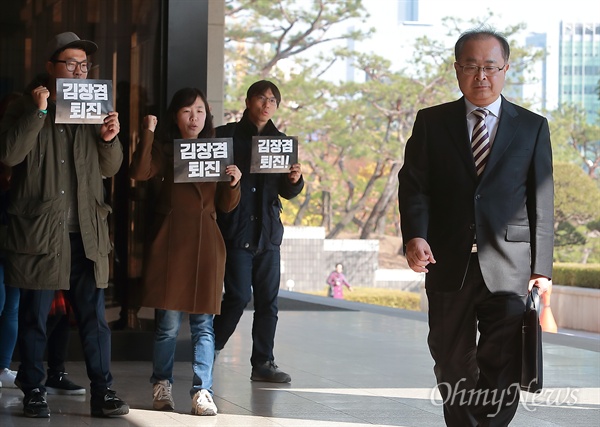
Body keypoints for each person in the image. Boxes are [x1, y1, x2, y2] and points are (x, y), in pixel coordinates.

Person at [398, 27, 553, 426]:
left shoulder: (532, 127)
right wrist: (415, 234)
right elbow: (415, 186)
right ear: (457, 69)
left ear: (505, 69)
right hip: (448, 263)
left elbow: (542, 200)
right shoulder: (432, 123)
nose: (480, 76)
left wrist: (543, 267)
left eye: (489, 67)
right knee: (451, 361)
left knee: (502, 363)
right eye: (471, 66)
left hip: (509, 265)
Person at [0, 31, 129, 418]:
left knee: (93, 320)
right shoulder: (23, 106)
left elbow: (111, 168)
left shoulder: (94, 112)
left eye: (84, 66)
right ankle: (34, 390)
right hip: (40, 233)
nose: (78, 71)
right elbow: (8, 154)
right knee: (35, 318)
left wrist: (109, 138)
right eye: (70, 64)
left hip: (86, 235)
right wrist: (38, 112)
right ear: (51, 68)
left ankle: (103, 391)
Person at [130, 87, 241, 416]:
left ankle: (202, 390)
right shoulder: (165, 150)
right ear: (175, 116)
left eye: (200, 111)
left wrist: (233, 184)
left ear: (207, 116)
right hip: (171, 244)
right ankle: (161, 385)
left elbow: (225, 205)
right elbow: (138, 172)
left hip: (205, 243)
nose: (194, 117)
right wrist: (148, 133)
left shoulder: (215, 151)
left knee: (203, 325)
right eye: (186, 111)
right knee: (166, 324)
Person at [213, 80, 304, 383]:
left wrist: (293, 179)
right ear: (248, 100)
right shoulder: (226, 136)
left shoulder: (280, 141)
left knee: (268, 301)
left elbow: (287, 192)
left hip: (267, 232)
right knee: (237, 296)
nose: (267, 105)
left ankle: (263, 362)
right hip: (237, 229)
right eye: (261, 98)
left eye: (272, 101)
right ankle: (209, 348)